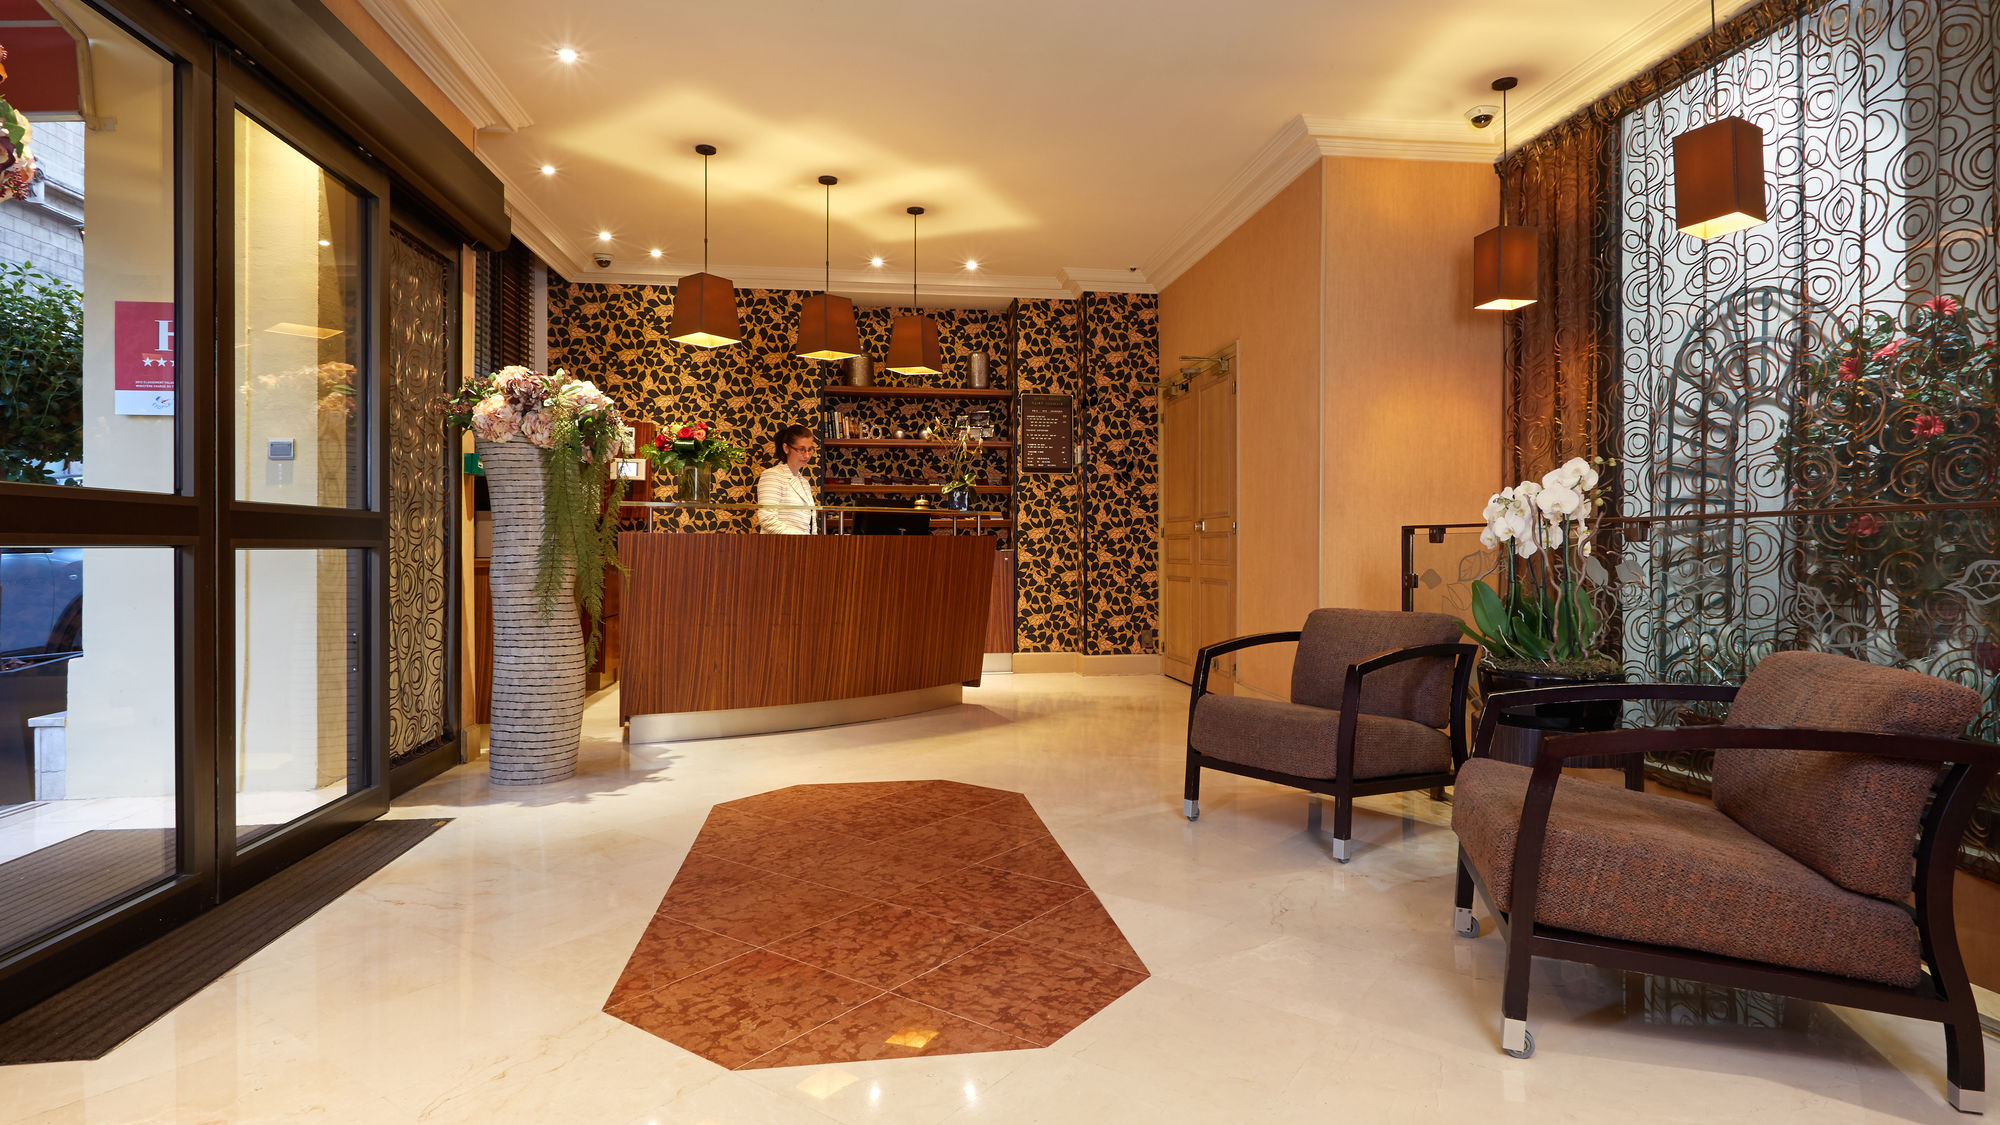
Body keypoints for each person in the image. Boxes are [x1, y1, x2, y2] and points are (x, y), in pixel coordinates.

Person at [755, 424, 818, 534]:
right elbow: (767, 519)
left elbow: (809, 525)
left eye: (810, 449)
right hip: (779, 543)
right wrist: (800, 538)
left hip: (802, 543)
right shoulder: (772, 475)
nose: (807, 455)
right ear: (786, 448)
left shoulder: (804, 482)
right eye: (802, 449)